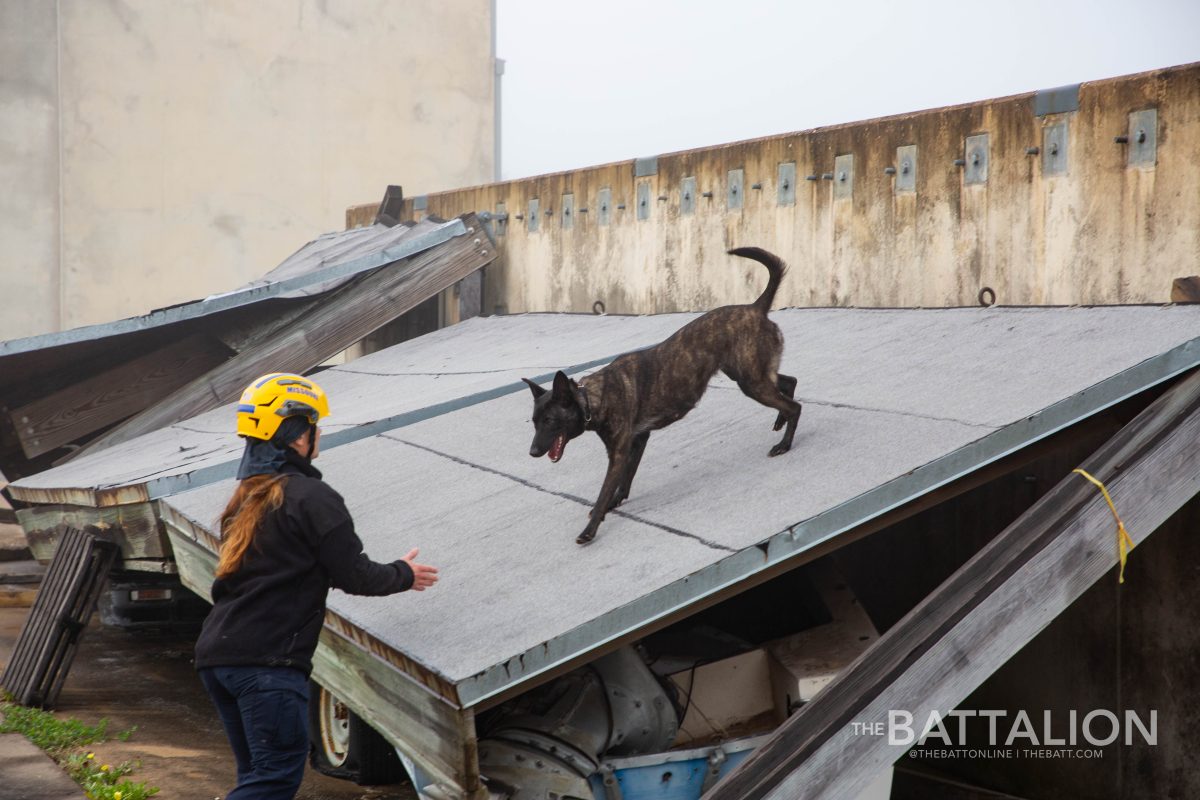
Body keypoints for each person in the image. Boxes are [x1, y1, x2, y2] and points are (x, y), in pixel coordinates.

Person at [194, 372, 438, 799]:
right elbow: (354, 575)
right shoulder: (311, 497)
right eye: (313, 425)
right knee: (272, 782)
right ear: (296, 434)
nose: (318, 433)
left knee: (255, 778)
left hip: (220, 658)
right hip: (266, 667)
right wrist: (404, 573)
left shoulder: (246, 499)